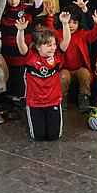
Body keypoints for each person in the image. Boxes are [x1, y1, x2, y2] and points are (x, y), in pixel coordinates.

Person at [17, 11, 73, 141]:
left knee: (54, 136)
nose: (53, 48)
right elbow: (21, 46)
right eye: (48, 45)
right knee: (39, 136)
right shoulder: (31, 57)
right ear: (38, 47)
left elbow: (66, 41)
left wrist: (65, 24)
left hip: (53, 101)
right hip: (34, 103)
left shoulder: (57, 56)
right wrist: (20, 31)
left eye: (53, 44)